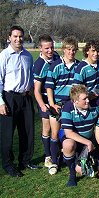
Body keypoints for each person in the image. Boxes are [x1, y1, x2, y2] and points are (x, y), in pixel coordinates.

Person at [0, 26, 39, 177]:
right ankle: (8, 165)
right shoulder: (4, 56)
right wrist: (1, 102)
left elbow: (30, 76)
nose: (18, 39)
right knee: (7, 134)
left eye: (21, 36)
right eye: (15, 36)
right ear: (9, 37)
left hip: (26, 97)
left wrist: (29, 89)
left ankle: (25, 160)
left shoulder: (28, 56)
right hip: (9, 98)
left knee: (27, 131)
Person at [45, 36, 80, 175]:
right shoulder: (55, 65)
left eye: (73, 50)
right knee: (54, 133)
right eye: (68, 49)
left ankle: (75, 158)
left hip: (73, 104)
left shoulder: (79, 65)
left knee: (73, 133)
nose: (71, 52)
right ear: (63, 50)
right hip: (58, 104)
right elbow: (49, 87)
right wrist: (52, 104)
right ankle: (54, 162)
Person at [60, 84, 99, 186]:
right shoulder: (68, 108)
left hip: (90, 140)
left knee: (86, 171)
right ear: (75, 101)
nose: (88, 100)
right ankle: (72, 175)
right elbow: (68, 133)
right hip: (76, 140)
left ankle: (80, 160)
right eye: (84, 99)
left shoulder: (95, 103)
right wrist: (88, 142)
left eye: (87, 97)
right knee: (68, 145)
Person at [33, 35, 60, 168]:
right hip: (45, 100)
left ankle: (56, 152)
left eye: (52, 47)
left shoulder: (56, 57)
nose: (50, 51)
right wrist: (42, 105)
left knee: (58, 127)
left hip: (57, 99)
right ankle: (47, 155)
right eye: (47, 48)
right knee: (47, 128)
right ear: (40, 48)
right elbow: (36, 90)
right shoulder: (39, 65)